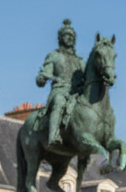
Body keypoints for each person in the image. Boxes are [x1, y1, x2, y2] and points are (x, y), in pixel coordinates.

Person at [36, 18, 84, 149]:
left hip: (76, 93)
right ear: (60, 38)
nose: (70, 38)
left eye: (72, 36)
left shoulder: (80, 61)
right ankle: (53, 136)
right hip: (60, 90)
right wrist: (42, 78)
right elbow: (45, 73)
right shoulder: (53, 56)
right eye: (67, 35)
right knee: (59, 102)